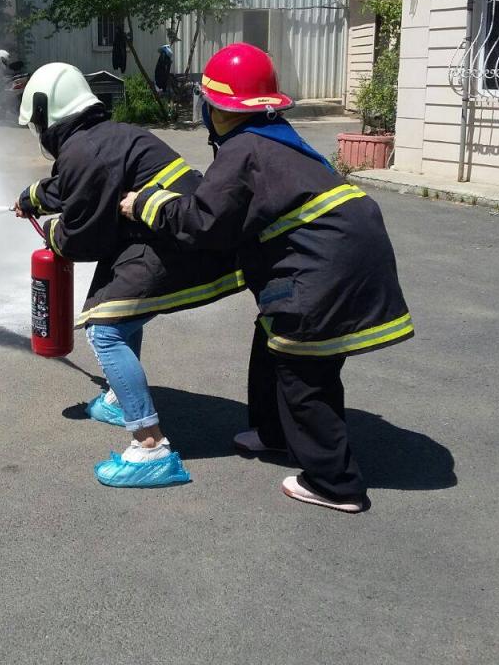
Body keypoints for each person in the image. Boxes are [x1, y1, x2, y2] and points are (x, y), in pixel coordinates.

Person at [120, 43, 413, 513]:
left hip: (325, 267)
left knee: (305, 370)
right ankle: (275, 433)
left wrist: (146, 204)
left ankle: (335, 483)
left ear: (215, 107)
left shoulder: (242, 148)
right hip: (346, 253)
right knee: (273, 343)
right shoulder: (274, 135)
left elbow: (204, 223)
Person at [13, 62, 244, 488]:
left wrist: (53, 232)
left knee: (105, 330)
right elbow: (77, 186)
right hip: (178, 234)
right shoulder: (102, 137)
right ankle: (121, 400)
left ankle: (150, 447)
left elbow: (84, 237)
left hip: (179, 242)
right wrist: (33, 198)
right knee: (122, 312)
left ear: (45, 113)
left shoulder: (84, 150)